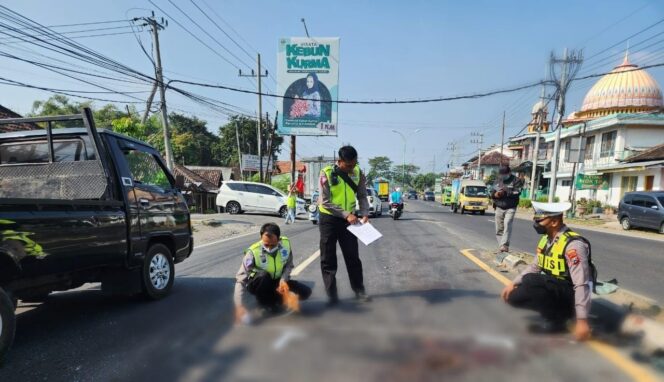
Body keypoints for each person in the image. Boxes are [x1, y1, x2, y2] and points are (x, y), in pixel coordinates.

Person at [500, 201, 597, 341]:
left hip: (571, 292)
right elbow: (535, 266)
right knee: (513, 296)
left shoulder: (573, 245)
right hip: (556, 288)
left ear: (554, 222)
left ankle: (558, 321)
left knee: (531, 280)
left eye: (539, 220)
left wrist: (582, 320)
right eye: (535, 219)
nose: (536, 223)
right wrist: (513, 283)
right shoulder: (546, 240)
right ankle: (559, 313)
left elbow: (581, 283)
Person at [318, 145, 371, 306]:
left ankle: (359, 291)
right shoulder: (326, 173)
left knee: (353, 257)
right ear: (339, 161)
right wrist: (346, 214)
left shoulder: (358, 173)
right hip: (329, 219)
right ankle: (332, 296)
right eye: (348, 165)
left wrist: (365, 213)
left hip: (350, 220)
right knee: (328, 258)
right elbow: (325, 202)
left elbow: (362, 195)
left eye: (354, 164)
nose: (351, 168)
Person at [234, 223, 312, 324]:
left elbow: (289, 265)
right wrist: (239, 306)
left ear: (278, 239)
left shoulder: (286, 245)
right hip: (259, 283)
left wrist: (283, 280)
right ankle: (264, 303)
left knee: (305, 292)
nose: (269, 248)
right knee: (264, 276)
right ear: (261, 238)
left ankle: (277, 299)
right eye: (266, 245)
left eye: (273, 245)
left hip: (277, 282)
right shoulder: (253, 252)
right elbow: (240, 280)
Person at [491, 165, 523, 253]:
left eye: (504, 174)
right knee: (499, 228)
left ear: (509, 173)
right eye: (501, 175)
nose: (502, 176)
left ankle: (504, 245)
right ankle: (501, 246)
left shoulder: (516, 180)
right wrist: (496, 195)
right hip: (499, 206)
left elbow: (517, 192)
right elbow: (492, 192)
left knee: (507, 223)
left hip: (510, 207)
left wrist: (505, 191)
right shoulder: (497, 181)